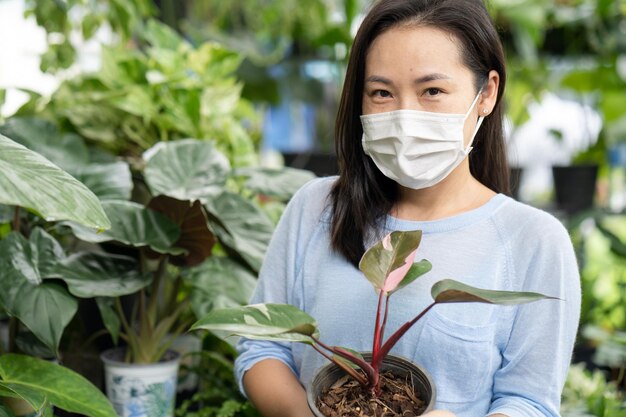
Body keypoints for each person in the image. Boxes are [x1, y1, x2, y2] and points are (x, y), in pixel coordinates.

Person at [235, 0, 581, 416]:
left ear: (487, 93)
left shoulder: (534, 241)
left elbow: (530, 402)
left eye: (432, 91)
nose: (403, 116)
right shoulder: (315, 208)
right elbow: (260, 345)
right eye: (381, 93)